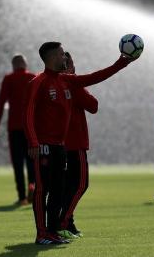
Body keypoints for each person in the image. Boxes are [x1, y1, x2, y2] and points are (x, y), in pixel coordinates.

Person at [24, 41, 137, 245]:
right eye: (60, 54)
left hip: (60, 147)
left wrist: (121, 63)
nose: (64, 58)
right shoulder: (38, 81)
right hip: (44, 146)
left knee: (58, 191)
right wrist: (33, 142)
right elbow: (28, 114)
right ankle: (41, 234)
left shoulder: (67, 80)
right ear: (50, 57)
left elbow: (96, 77)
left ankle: (52, 232)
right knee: (42, 191)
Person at [58, 52, 98, 239]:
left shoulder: (54, 83)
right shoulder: (71, 84)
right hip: (75, 143)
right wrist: (75, 79)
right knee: (81, 184)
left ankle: (69, 223)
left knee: (67, 186)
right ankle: (63, 223)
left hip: (59, 145)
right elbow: (93, 105)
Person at [0, 54, 35, 205]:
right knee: (32, 161)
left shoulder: (9, 79)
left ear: (13, 65)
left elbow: (1, 103)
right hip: (31, 127)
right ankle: (33, 188)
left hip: (15, 127)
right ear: (25, 64)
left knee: (17, 162)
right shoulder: (33, 77)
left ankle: (22, 197)